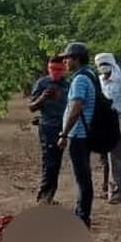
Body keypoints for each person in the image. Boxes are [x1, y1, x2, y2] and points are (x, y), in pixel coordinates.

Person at [57, 43, 98, 229]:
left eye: (67, 58)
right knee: (83, 176)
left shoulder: (80, 79)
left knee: (82, 178)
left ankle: (82, 217)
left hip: (79, 134)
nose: (65, 61)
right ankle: (81, 213)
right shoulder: (90, 74)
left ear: (77, 58)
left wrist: (64, 133)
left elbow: (76, 108)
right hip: (84, 133)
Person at [94, 53, 121, 204]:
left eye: (105, 63)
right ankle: (106, 188)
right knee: (105, 158)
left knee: (118, 158)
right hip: (104, 122)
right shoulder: (99, 81)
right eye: (100, 65)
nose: (103, 67)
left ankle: (117, 193)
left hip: (120, 119)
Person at [28, 56, 69, 205]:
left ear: (64, 69)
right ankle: (43, 197)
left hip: (64, 128)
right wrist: (43, 97)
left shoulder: (68, 84)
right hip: (48, 128)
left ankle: (50, 196)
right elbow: (32, 107)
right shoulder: (42, 83)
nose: (56, 73)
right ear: (48, 69)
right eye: (53, 69)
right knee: (49, 162)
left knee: (56, 163)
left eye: (59, 69)